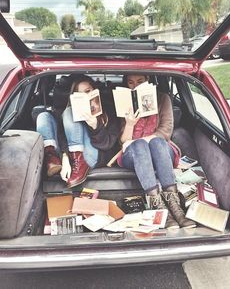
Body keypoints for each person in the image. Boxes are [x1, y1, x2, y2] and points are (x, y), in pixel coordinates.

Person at [118, 74, 196, 229]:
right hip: (134, 153)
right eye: (131, 82)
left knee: (157, 141)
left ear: (148, 81)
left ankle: (176, 209)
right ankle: (159, 207)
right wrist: (130, 124)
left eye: (140, 81)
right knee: (139, 145)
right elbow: (124, 141)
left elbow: (166, 131)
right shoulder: (123, 102)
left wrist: (143, 140)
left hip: (160, 148)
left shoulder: (162, 98)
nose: (135, 86)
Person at [37, 74, 121, 188]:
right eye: (79, 94)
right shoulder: (70, 115)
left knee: (68, 112)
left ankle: (80, 164)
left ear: (95, 91)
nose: (84, 96)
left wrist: (95, 126)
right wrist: (65, 158)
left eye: (88, 91)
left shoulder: (110, 112)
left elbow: (107, 145)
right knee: (44, 116)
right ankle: (51, 158)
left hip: (92, 156)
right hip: (71, 155)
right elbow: (62, 137)